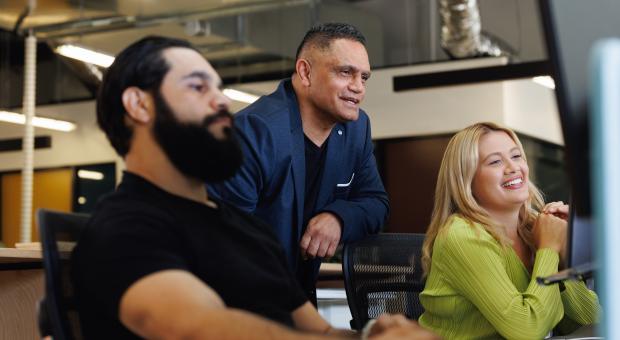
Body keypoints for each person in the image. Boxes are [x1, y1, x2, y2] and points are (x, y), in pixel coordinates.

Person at [70, 36, 437, 340]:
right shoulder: (127, 227)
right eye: (198, 86)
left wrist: (373, 334)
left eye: (219, 88)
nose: (222, 101)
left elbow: (321, 331)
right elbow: (199, 328)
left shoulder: (243, 229)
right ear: (139, 104)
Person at [208, 23, 389, 302]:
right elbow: (228, 243)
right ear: (305, 72)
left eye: (364, 77)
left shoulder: (356, 129)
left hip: (298, 297)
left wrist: (338, 218)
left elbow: (376, 203)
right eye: (345, 72)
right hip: (241, 302)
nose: (358, 88)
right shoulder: (253, 133)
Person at [418, 122, 600, 339]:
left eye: (516, 156)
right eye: (495, 162)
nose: (513, 168)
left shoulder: (533, 227)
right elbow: (526, 331)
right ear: (467, 180)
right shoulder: (462, 236)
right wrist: (549, 249)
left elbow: (590, 320)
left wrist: (562, 254)